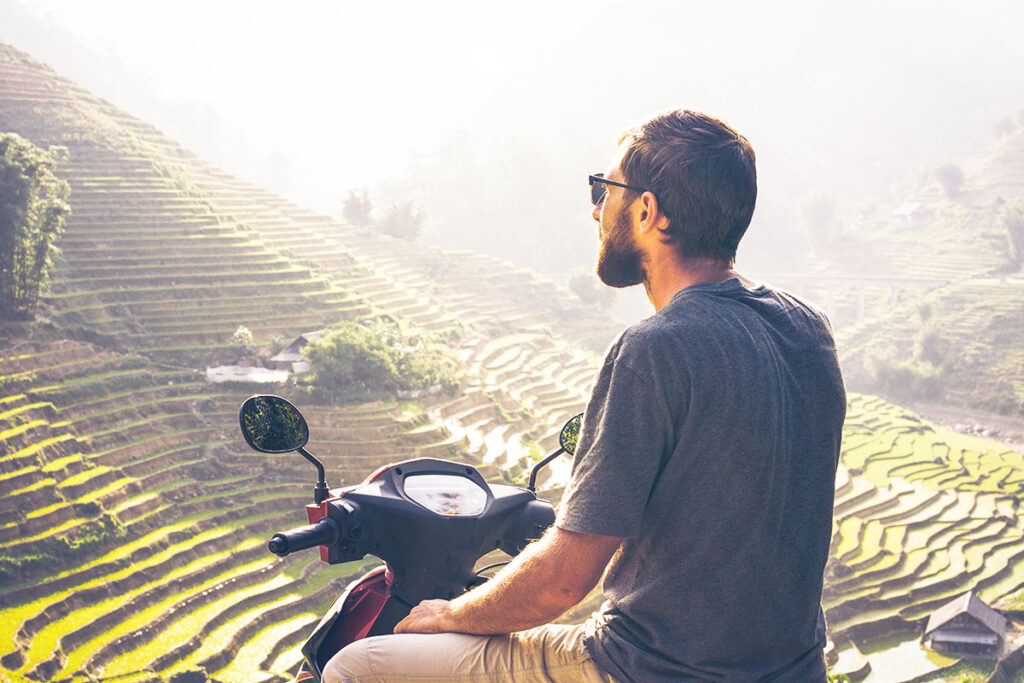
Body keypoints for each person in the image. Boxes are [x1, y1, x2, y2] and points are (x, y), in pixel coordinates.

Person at [322, 109, 846, 682]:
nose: (596, 208)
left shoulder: (657, 349)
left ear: (647, 211)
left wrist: (452, 612)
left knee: (359, 665)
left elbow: (565, 580)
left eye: (606, 188)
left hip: (645, 670)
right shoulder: (808, 329)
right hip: (793, 670)